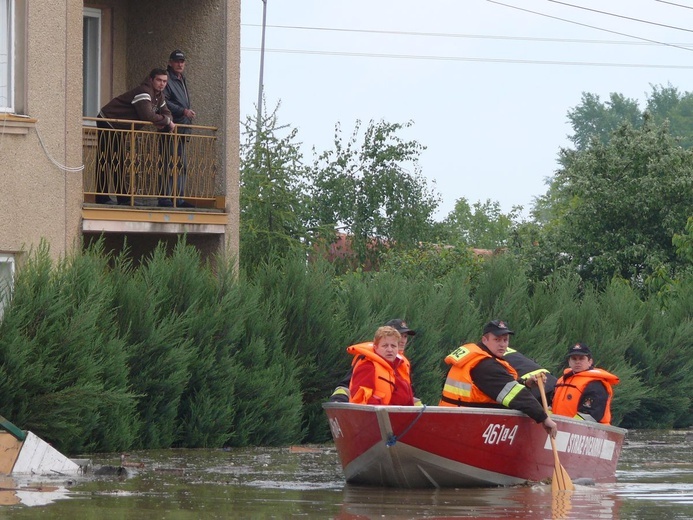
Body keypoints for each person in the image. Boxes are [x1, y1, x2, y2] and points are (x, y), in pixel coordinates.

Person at [439, 319, 557, 437]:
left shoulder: (477, 357)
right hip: (465, 426)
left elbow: (497, 387)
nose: (502, 344)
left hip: (450, 419)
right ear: (485, 340)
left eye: (505, 340)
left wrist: (526, 383)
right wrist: (544, 418)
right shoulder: (485, 365)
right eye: (497, 340)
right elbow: (516, 395)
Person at [96, 68, 175, 205]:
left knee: (117, 160)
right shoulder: (144, 91)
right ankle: (103, 198)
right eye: (159, 80)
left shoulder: (159, 96)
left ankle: (123, 198)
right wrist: (166, 121)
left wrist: (164, 120)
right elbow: (147, 115)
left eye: (164, 81)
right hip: (108, 120)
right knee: (107, 159)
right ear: (151, 79)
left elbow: (167, 112)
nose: (162, 84)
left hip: (120, 127)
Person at [328, 318, 416, 403]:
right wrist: (338, 404)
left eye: (405, 336)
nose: (403, 340)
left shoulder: (401, 363)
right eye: (400, 335)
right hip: (376, 415)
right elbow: (349, 388)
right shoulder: (368, 362)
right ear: (376, 346)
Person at [160, 50, 196, 208]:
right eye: (176, 61)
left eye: (182, 61)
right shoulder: (167, 79)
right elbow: (163, 102)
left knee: (181, 164)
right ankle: (165, 198)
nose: (180, 64)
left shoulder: (181, 79)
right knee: (168, 162)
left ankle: (178, 198)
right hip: (170, 127)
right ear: (170, 62)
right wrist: (183, 111)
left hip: (182, 128)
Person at [551, 343, 620, 424]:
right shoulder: (562, 380)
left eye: (581, 358)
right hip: (561, 429)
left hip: (587, 432)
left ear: (590, 361)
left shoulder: (595, 384)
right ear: (569, 362)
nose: (577, 362)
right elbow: (552, 405)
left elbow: (591, 414)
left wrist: (567, 426)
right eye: (574, 359)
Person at [348, 326, 415, 406]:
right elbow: (361, 398)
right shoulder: (368, 366)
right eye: (385, 346)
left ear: (397, 349)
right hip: (377, 417)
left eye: (393, 346)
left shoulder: (396, 370)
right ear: (376, 348)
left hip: (398, 416)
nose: (390, 350)